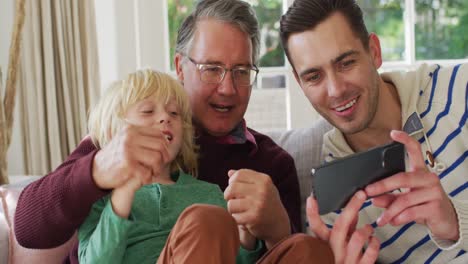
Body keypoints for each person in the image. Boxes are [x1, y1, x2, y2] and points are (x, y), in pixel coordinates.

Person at [14, 0, 313, 263]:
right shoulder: (120, 140)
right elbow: (28, 229)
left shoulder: (272, 164)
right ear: (180, 68)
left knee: (307, 249)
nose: (228, 88)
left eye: (242, 72)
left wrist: (277, 229)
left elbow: (282, 256)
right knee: (206, 222)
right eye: (212, 68)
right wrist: (96, 169)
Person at [280, 0, 468, 263]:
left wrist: (457, 222)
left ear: (374, 52)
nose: (335, 90)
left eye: (345, 63)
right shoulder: (332, 212)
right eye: (314, 77)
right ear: (300, 84)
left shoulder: (460, 91)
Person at [78, 69, 243, 263]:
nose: (166, 118)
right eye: (148, 111)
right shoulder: (99, 198)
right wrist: (122, 195)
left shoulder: (210, 194)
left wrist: (247, 235)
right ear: (113, 132)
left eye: (174, 113)